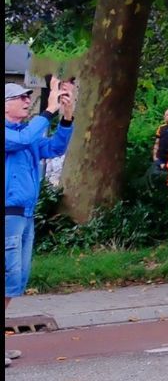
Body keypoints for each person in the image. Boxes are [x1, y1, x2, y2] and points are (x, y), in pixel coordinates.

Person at [7, 79, 74, 361]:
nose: (26, 100)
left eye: (27, 96)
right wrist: (47, 111)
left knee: (14, 282)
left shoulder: (26, 134)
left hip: (25, 216)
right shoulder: (14, 135)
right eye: (20, 97)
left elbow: (55, 148)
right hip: (7, 215)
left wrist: (67, 116)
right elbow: (23, 141)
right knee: (6, 278)